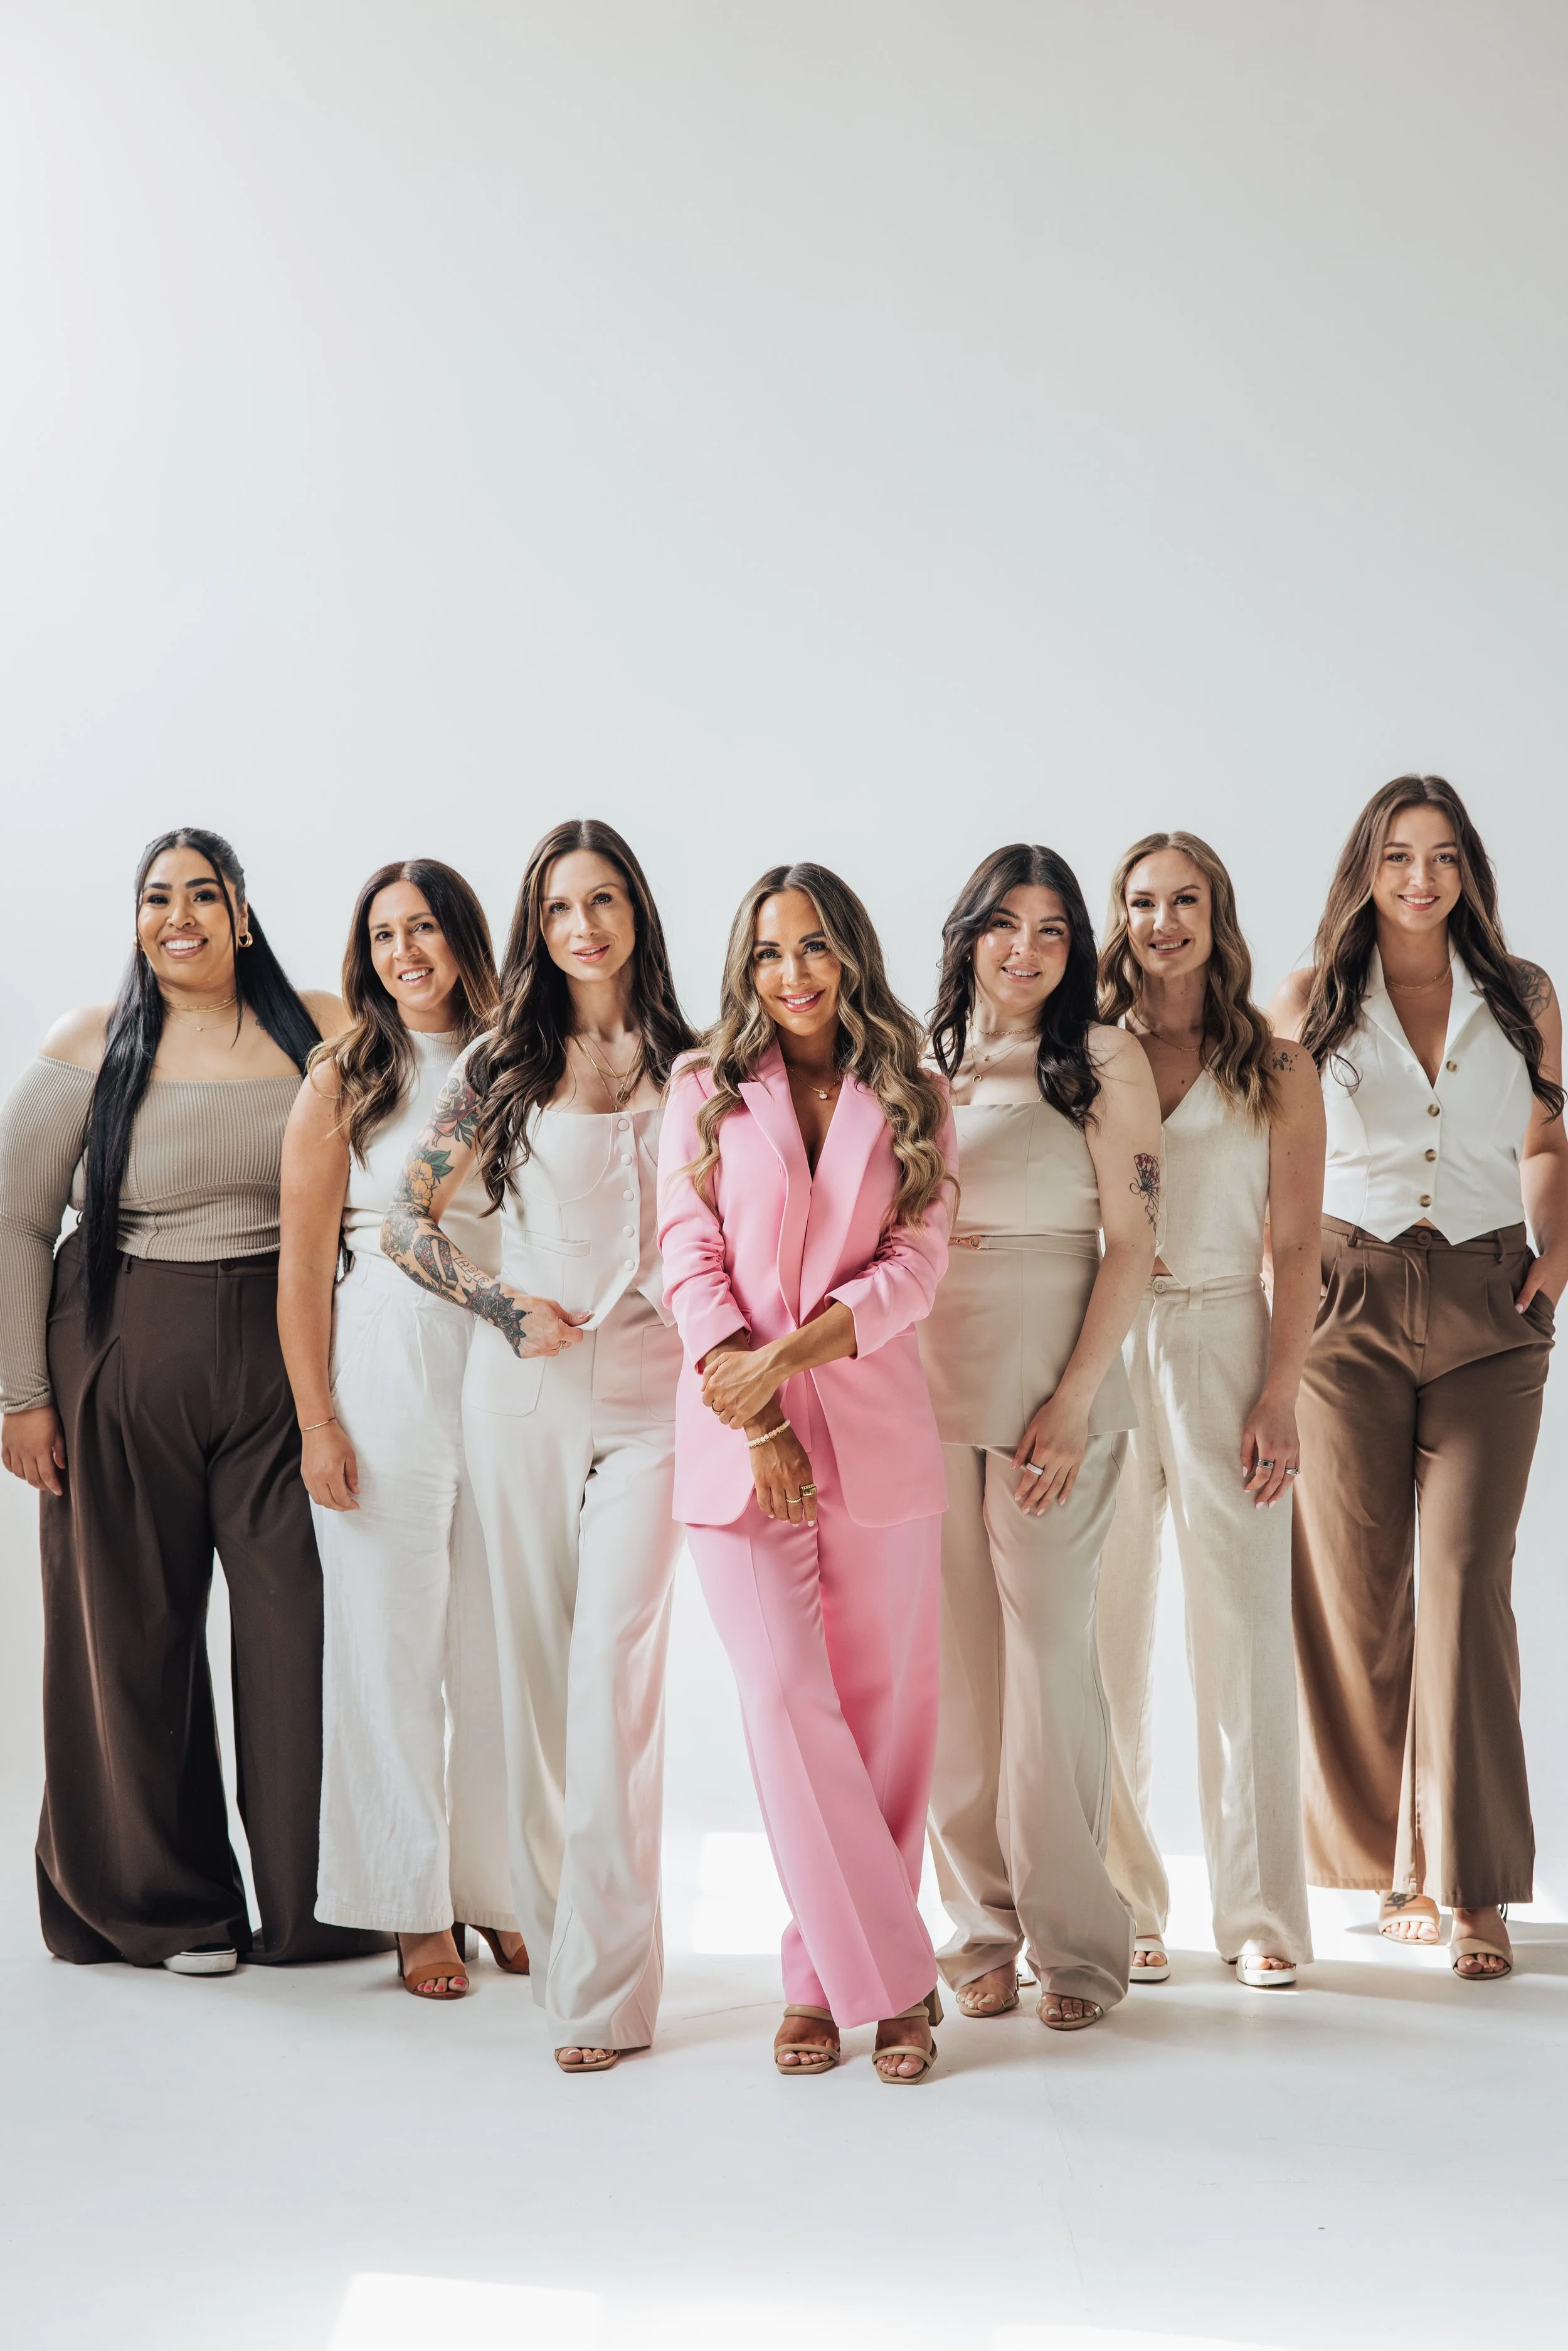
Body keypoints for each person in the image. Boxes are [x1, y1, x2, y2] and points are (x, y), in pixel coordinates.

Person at [0, 827, 386, 1974]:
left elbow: (418, 1141)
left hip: (287, 1368)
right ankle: (161, 1910)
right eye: (158, 898)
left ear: (244, 915)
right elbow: (17, 1220)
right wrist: (21, 1395)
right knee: (130, 1632)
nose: (181, 916)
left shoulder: (318, 1025)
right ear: (137, 922)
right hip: (119, 1358)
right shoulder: (89, 1041)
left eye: (204, 896)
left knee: (303, 1625)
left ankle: (325, 1903)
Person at [383, 819, 696, 2069]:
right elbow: (407, 1218)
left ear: (636, 911)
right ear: (537, 924)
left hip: (659, 1393)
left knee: (613, 1680)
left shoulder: (698, 1058)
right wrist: (502, 1306)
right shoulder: (505, 1064)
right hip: (524, 1389)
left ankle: (607, 1992)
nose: (585, 925)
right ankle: (566, 1951)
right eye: (561, 905)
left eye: (605, 898)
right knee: (533, 1681)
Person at [658, 864, 955, 2084]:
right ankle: (883, 1978)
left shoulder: (914, 1089)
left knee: (883, 1716)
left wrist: (797, 1351)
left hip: (876, 1432)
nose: (793, 972)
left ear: (851, 956)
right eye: (771, 952)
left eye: (815, 946)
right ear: (745, 966)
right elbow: (685, 1256)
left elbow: (914, 1264)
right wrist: (762, 1402)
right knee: (784, 1696)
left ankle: (822, 1974)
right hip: (737, 1436)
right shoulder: (702, 1088)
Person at [1273, 775, 1567, 1982]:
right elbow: (1272, 1155)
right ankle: (1381, 1862)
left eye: (1442, 857)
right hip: (1346, 1300)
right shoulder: (1309, 998)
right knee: (1355, 1587)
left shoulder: (1526, 993)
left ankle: (1477, 1887)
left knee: (1461, 1584)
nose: (1420, 879)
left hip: (1493, 1309)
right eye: (1398, 857)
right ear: (1368, 868)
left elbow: (1547, 1137)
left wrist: (1558, 1260)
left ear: (1469, 872)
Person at [921, 844, 1158, 2032]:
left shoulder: (1104, 1059)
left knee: (1052, 1660)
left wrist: (1072, 1399)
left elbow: (1136, 1245)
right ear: (967, 933)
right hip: (923, 1376)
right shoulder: (921, 1057)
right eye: (1004, 924)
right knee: (959, 1670)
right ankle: (980, 1925)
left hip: (1051, 1374)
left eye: (1053, 929)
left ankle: (1079, 1941)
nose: (1026, 948)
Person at [279, 858, 525, 2000]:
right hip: (382, 1358)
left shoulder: (522, 1058)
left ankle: (497, 1891)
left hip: (508, 1352)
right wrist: (317, 1419)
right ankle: (408, 1906)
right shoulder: (344, 1076)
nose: (404, 952)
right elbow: (299, 1271)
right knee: (388, 1643)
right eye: (384, 935)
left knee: (497, 1640)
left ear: (467, 937)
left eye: (425, 928)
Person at [1095, 832, 1322, 1990]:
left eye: (1185, 900)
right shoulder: (1088, 1053)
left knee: (1240, 1633)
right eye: (1142, 901)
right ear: (1120, 916)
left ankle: (1262, 1917)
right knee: (1106, 1631)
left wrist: (1280, 1391)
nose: (1163, 921)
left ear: (1217, 914)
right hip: (1105, 1339)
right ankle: (1127, 1903)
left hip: (1229, 1334)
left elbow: (1295, 1246)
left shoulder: (1275, 1066)